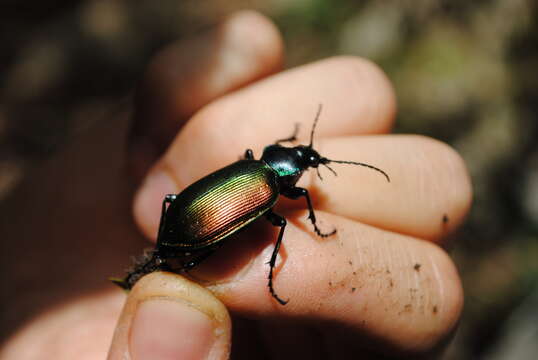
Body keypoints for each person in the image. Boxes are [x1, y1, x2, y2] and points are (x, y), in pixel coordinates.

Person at [0, 10, 472, 359]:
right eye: (307, 157)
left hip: (184, 218)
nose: (309, 164)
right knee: (272, 225)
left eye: (308, 158)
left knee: (212, 224)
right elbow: (284, 200)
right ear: (291, 164)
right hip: (189, 225)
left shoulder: (259, 167)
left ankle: (176, 259)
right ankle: (185, 260)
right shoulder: (277, 189)